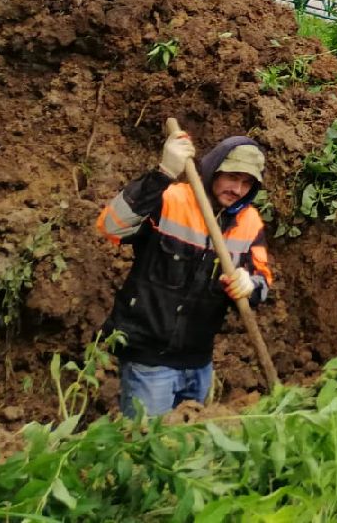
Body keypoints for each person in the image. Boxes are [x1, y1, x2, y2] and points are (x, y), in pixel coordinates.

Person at [96, 130, 273, 418]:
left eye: (247, 183)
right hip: (149, 362)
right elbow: (111, 226)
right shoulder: (171, 199)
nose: (238, 189)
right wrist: (163, 174)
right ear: (214, 170)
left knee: (191, 442)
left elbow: (262, 280)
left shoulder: (249, 222)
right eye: (232, 177)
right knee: (149, 442)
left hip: (199, 363)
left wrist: (249, 284)